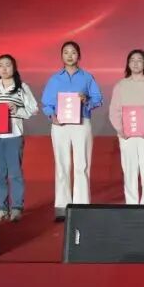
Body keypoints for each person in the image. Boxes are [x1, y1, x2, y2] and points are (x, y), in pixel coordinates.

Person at [41, 40, 103, 220]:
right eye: (66, 52)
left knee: (82, 165)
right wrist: (52, 116)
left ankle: (81, 205)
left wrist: (86, 100)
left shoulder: (87, 77)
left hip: (81, 123)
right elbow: (46, 103)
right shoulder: (54, 79)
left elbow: (98, 99)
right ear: (61, 56)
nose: (69, 55)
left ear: (79, 56)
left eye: (73, 52)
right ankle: (62, 206)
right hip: (60, 125)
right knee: (62, 165)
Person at [0, 54, 38, 222]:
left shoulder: (21, 87)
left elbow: (33, 108)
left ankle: (17, 207)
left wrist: (17, 110)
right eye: (1, 66)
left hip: (13, 135)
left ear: (14, 67)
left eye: (8, 65)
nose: (4, 69)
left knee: (15, 173)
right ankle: (2, 207)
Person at [109, 49, 144, 205]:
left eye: (139, 60)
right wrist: (121, 129)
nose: (135, 63)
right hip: (127, 136)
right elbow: (114, 110)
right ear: (128, 64)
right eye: (132, 60)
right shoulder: (120, 85)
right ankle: (131, 205)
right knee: (129, 172)